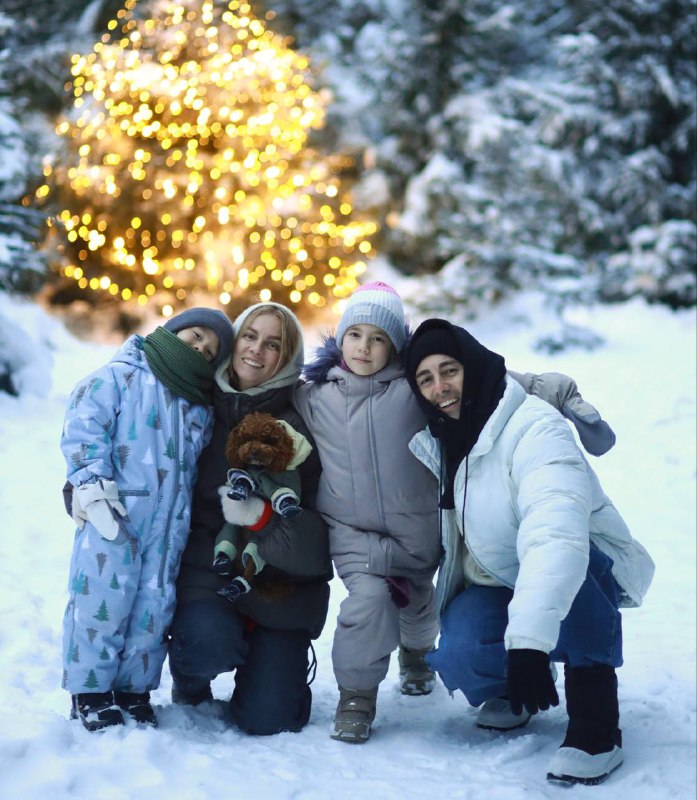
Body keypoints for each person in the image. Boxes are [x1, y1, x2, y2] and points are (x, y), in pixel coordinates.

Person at [293, 281, 615, 744]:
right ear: (340, 338)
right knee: (367, 606)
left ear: (395, 347)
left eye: (379, 338)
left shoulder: (414, 388)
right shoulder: (315, 396)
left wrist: (558, 392)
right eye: (355, 335)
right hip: (353, 532)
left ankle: (417, 654)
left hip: (418, 528)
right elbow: (272, 400)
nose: (364, 347)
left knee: (420, 606)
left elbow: (496, 380)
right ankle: (357, 696)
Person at [403, 318, 655, 785]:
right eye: (425, 378)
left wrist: (528, 644)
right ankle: (514, 691)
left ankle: (596, 723)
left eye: (449, 370)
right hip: (506, 573)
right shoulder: (443, 437)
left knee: (572, 573)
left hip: (583, 565)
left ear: (473, 365)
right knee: (461, 651)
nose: (440, 387)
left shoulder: (536, 428)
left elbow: (555, 538)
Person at [60, 307, 235, 731]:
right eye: (196, 336)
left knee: (152, 610)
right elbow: (84, 426)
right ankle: (90, 691)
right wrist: (90, 485)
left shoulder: (199, 407)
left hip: (169, 527)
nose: (199, 349)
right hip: (113, 515)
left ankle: (133, 690)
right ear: (174, 330)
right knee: (101, 603)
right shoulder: (120, 376)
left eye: (210, 351)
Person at [168, 302, 332, 736]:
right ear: (235, 341)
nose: (257, 350)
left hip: (280, 585)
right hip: (209, 570)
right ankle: (190, 677)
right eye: (250, 336)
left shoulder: (303, 424)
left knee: (269, 720)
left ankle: (281, 675)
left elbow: (317, 547)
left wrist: (262, 518)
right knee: (206, 642)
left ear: (288, 358)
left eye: (273, 344)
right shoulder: (197, 405)